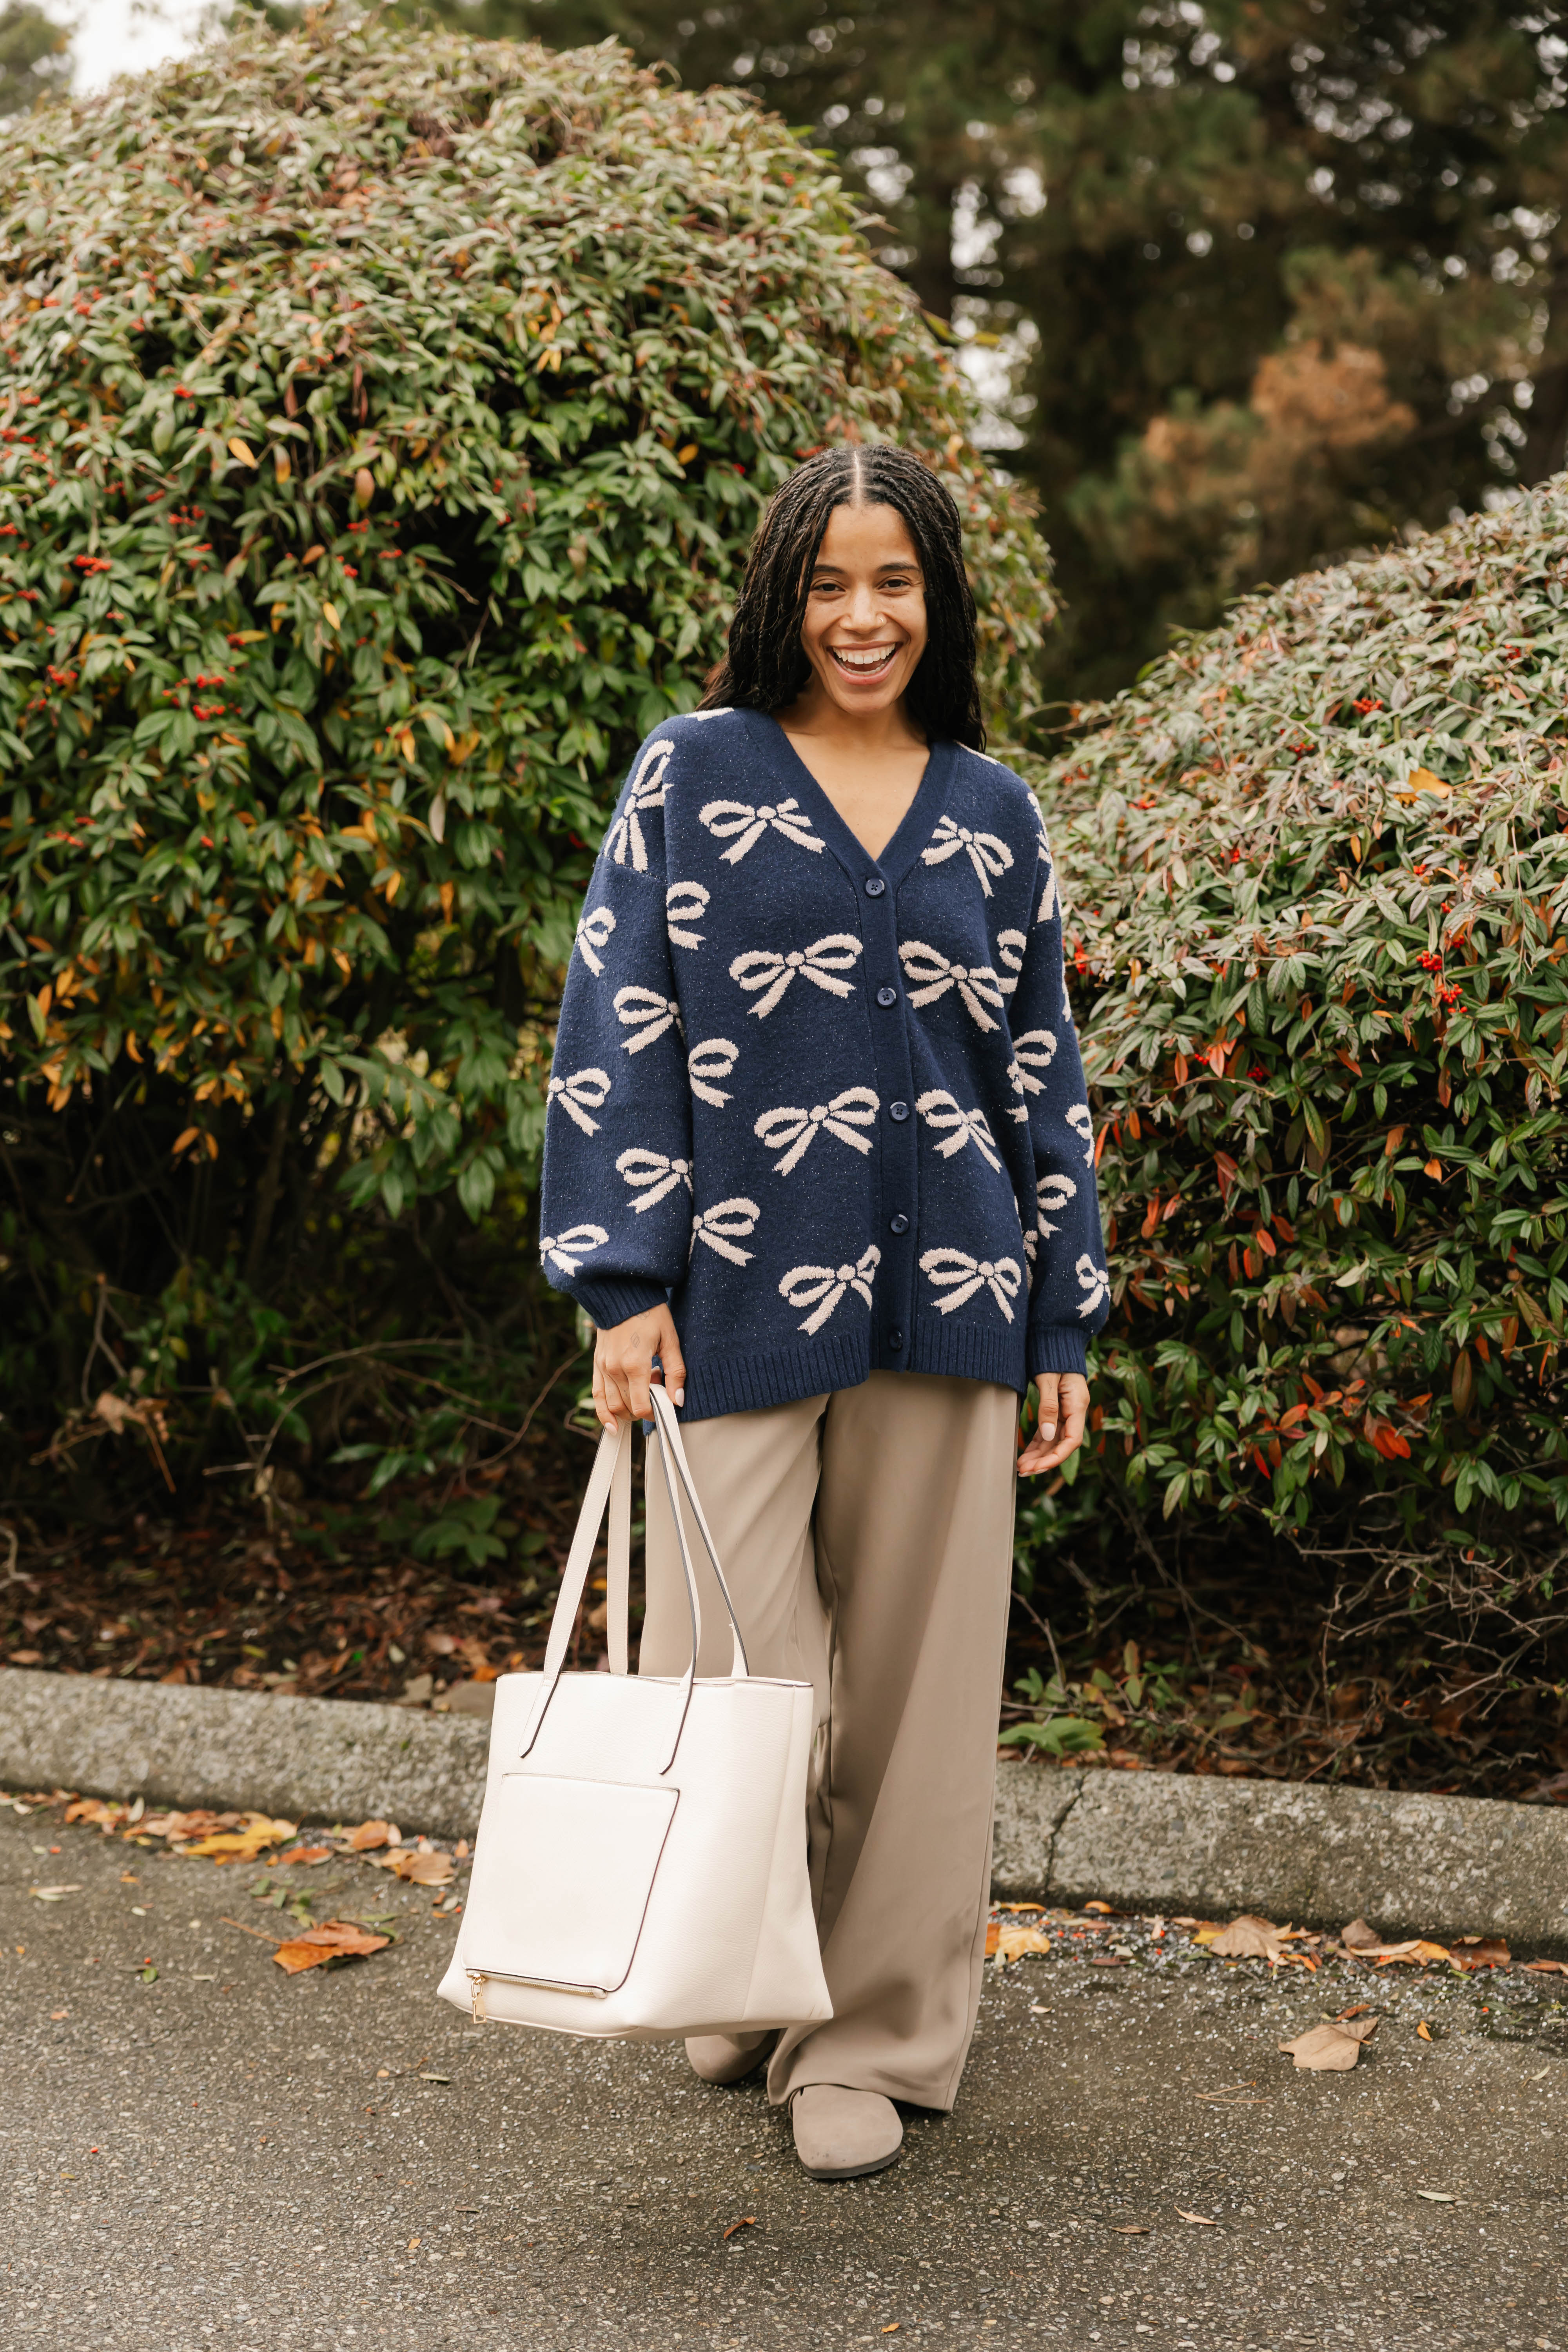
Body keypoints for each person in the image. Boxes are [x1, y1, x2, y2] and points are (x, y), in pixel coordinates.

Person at [538, 441, 1107, 2181]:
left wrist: (1064, 1314)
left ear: (935, 603)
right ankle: (732, 1958)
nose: (861, 617)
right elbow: (615, 1017)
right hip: (726, 1306)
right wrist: (619, 1285)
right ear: (783, 593)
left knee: (928, 1700)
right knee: (730, 1668)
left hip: (957, 1302)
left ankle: (867, 2038)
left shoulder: (991, 808)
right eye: (829, 582)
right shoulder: (695, 771)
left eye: (895, 583)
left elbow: (1040, 1072)